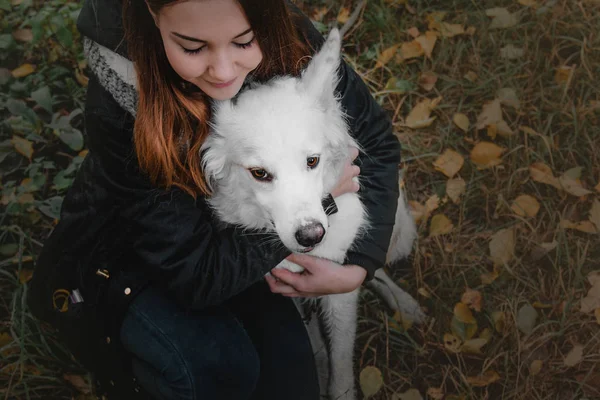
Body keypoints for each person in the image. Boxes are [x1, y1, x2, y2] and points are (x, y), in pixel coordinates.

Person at [27, 0, 402, 399]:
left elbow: (376, 140)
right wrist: (323, 199)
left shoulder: (286, 33)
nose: (223, 71)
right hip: (134, 256)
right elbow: (197, 274)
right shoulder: (120, 105)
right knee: (221, 369)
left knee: (293, 383)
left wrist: (360, 265)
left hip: (233, 243)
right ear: (153, 15)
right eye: (193, 47)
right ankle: (125, 376)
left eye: (243, 41)